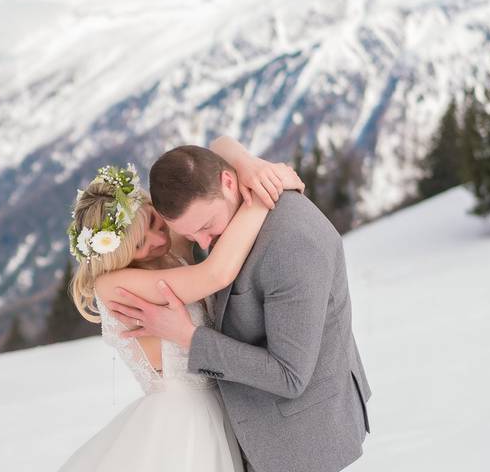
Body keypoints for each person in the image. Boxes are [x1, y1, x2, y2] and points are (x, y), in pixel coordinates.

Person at [107, 142, 371, 472]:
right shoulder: (216, 204)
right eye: (190, 234)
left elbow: (289, 376)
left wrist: (189, 337)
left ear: (228, 184)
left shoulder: (292, 243)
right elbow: (218, 147)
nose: (202, 244)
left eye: (205, 227)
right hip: (235, 432)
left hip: (297, 441)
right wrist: (245, 160)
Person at [58, 138, 303, 471]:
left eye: (157, 224)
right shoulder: (115, 286)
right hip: (182, 424)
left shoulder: (167, 249)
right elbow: (216, 273)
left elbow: (219, 145)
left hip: (224, 409)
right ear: (117, 254)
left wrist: (250, 166)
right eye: (141, 244)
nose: (160, 240)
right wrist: (265, 195)